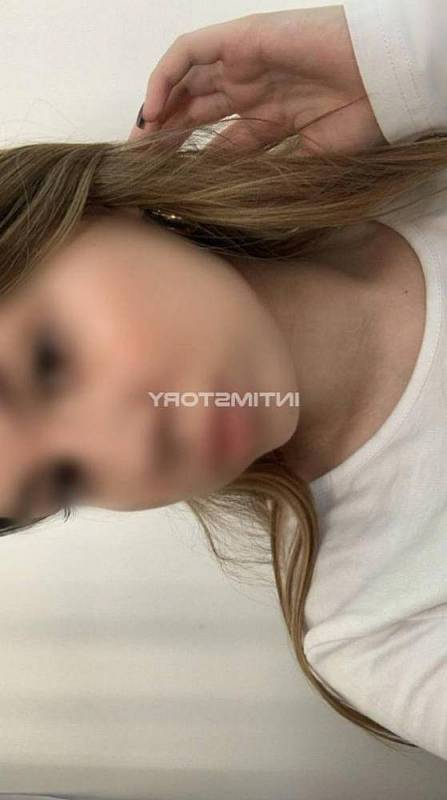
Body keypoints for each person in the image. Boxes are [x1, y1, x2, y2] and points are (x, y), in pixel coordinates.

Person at [1, 0, 447, 759]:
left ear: (90, 206)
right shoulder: (375, 630)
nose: (130, 448)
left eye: (50, 364)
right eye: (67, 480)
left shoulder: (415, 128)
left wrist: (405, 62)